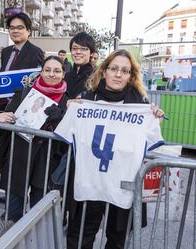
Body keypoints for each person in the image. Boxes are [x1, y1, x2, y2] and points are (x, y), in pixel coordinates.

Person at [66, 49, 165, 249]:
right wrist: (69, 108)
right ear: (104, 71)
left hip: (122, 183)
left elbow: (149, 140)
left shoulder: (141, 105)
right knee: (80, 236)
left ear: (131, 76)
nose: (118, 74)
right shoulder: (86, 99)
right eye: (114, 69)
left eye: (125, 71)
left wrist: (155, 118)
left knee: (118, 239)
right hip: (89, 182)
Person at [0, 56, 68, 222]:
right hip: (20, 156)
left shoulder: (68, 102)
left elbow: (70, 134)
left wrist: (62, 118)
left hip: (47, 161)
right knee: (13, 210)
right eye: (47, 70)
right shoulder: (25, 93)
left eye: (57, 71)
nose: (51, 74)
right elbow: (7, 115)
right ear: (41, 72)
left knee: (39, 211)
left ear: (63, 74)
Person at [0, 12, 44, 111]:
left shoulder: (35, 52)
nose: (15, 31)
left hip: (22, 106)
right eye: (12, 28)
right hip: (3, 105)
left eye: (20, 28)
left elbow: (37, 79)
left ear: (28, 31)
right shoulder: (5, 52)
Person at [65, 32, 96, 99]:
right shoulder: (66, 76)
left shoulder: (96, 77)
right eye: (74, 48)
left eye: (83, 49)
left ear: (92, 53)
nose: (78, 52)